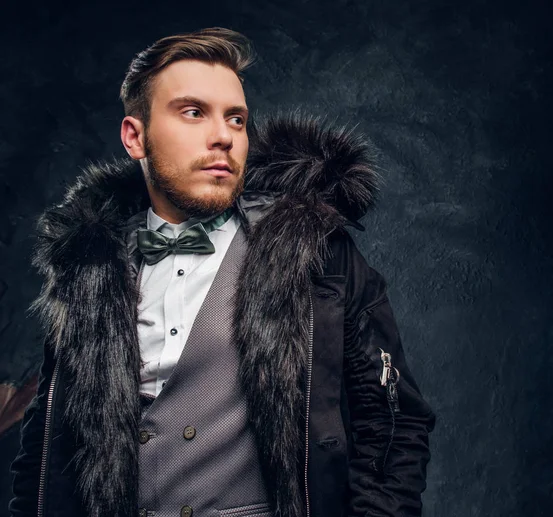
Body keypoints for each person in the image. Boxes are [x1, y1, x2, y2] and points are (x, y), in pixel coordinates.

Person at [9, 27, 436, 517]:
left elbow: (395, 424)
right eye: (193, 113)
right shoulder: (88, 268)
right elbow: (43, 448)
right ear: (135, 136)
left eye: (236, 119)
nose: (224, 137)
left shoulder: (316, 254)